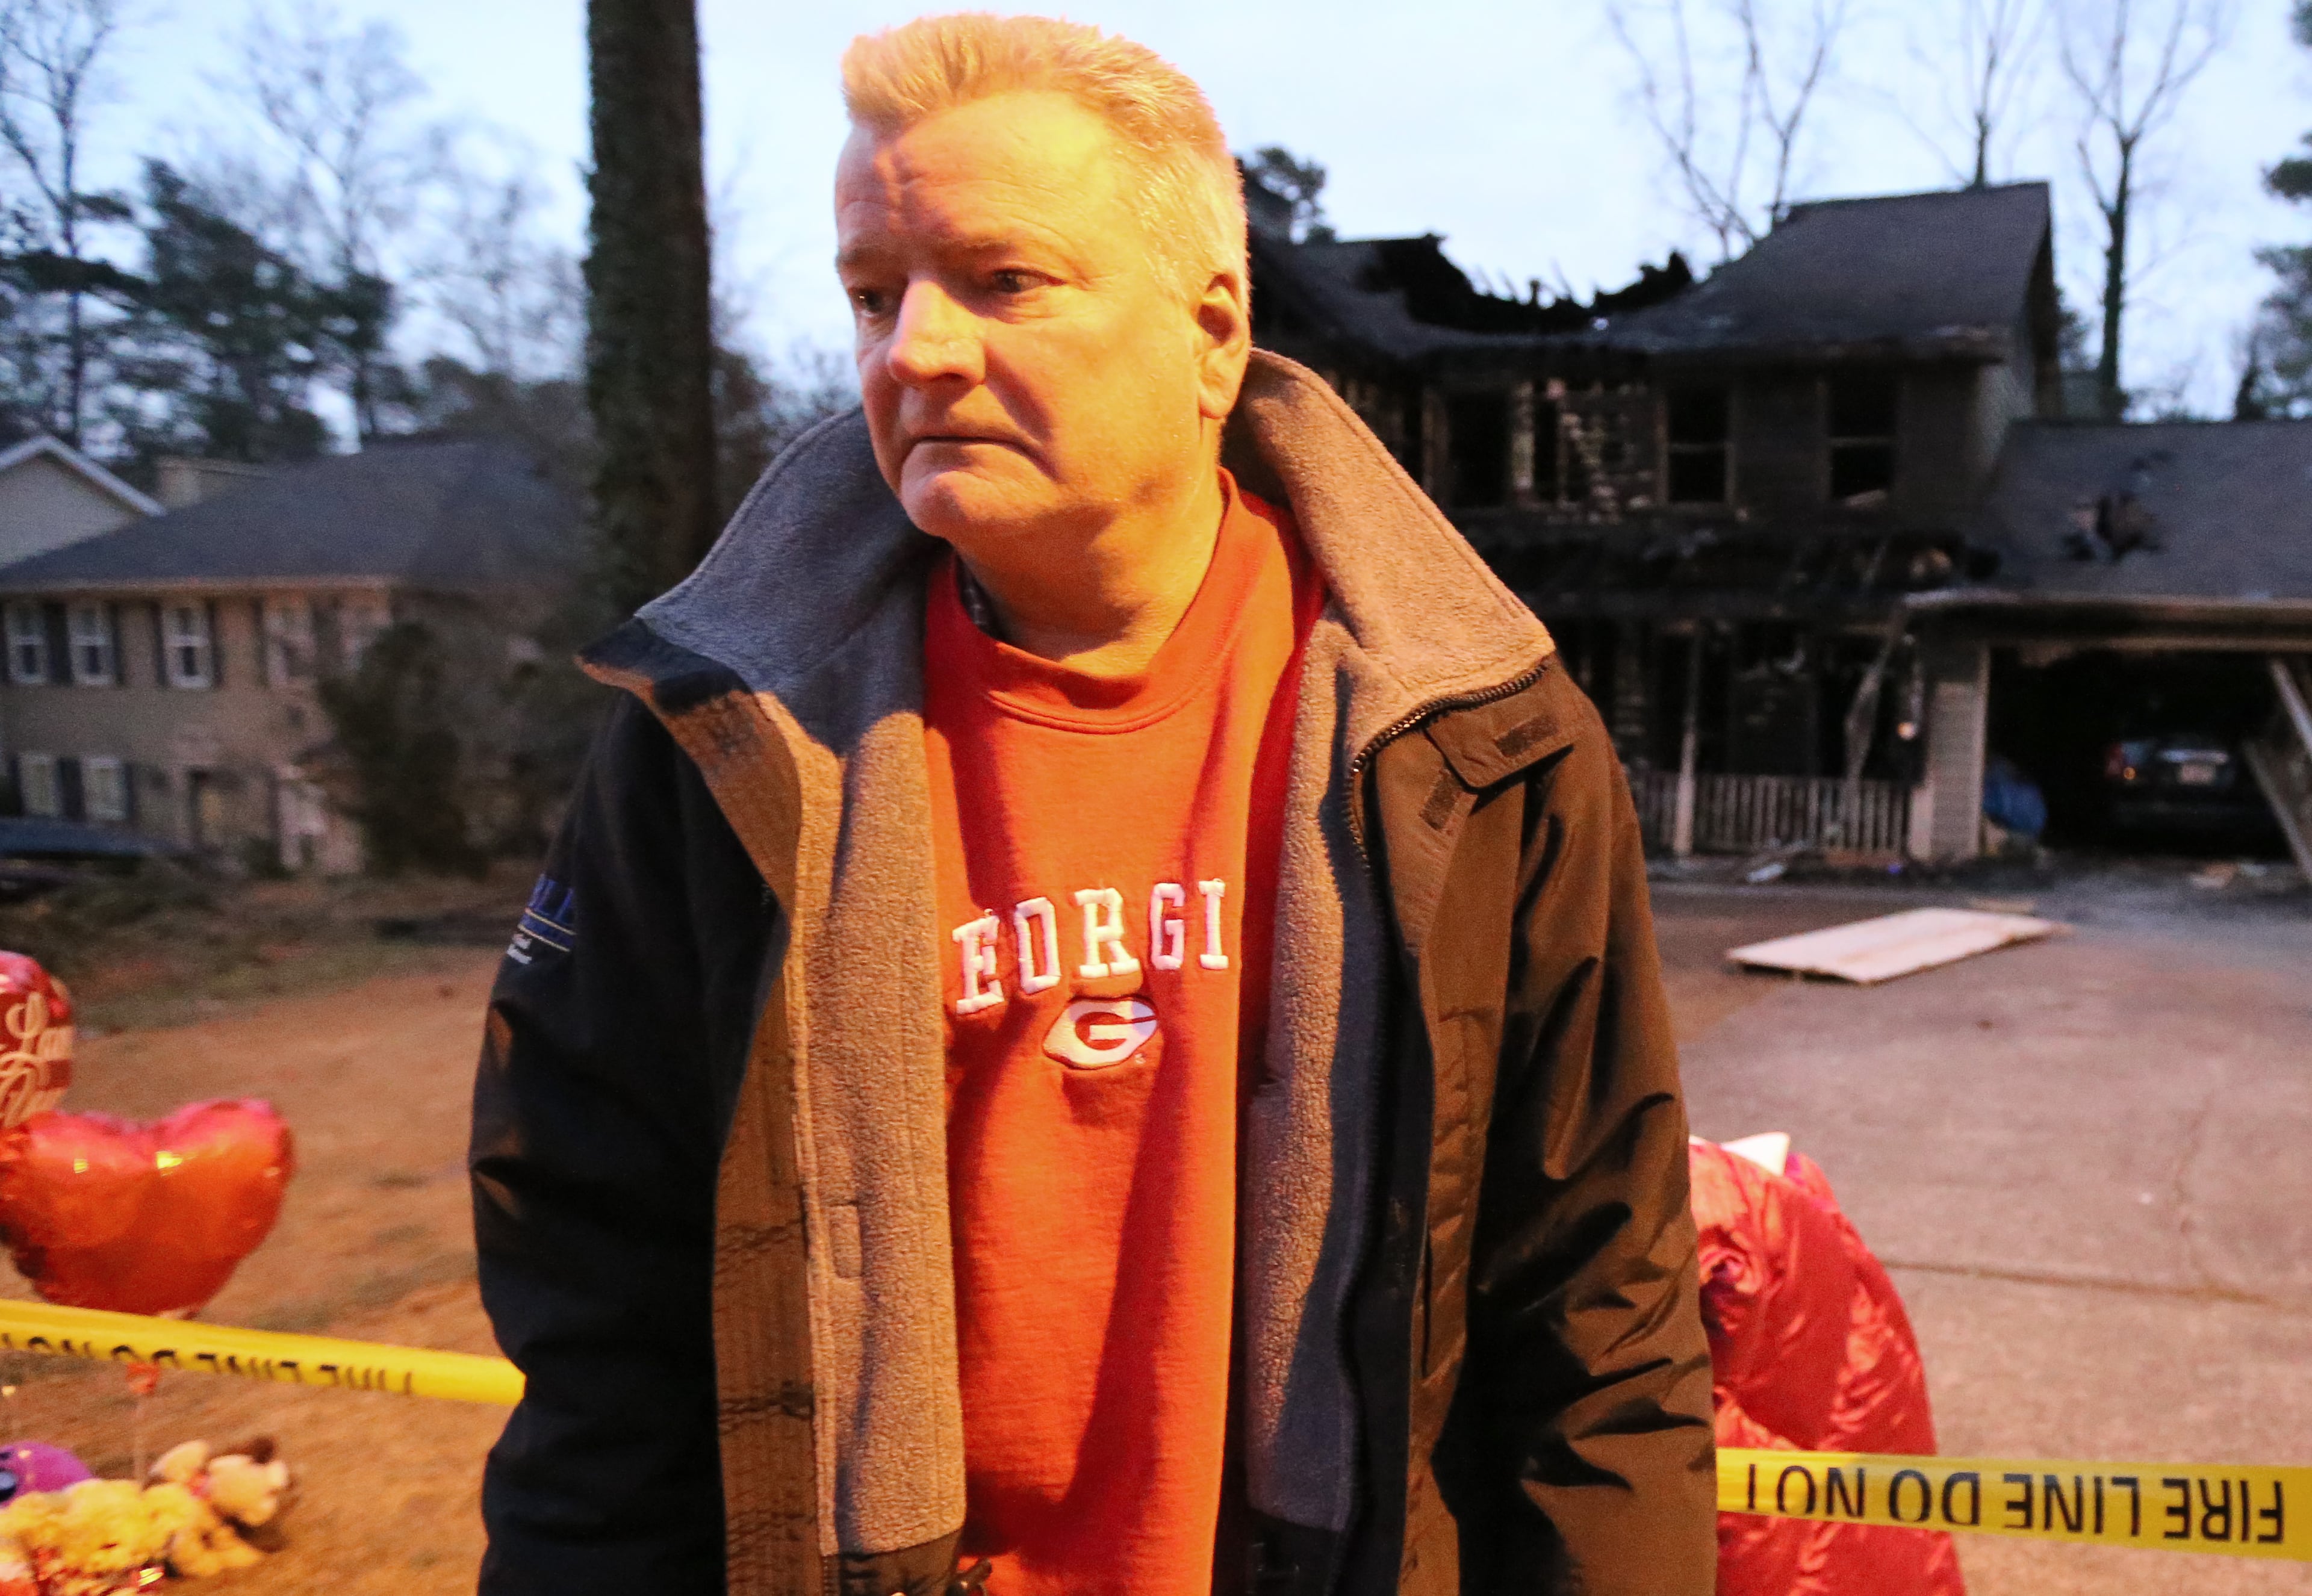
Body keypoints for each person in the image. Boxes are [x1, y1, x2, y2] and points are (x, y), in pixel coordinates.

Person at [470, 14, 1714, 1596]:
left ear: (1211, 332)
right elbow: (601, 1328)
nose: (912, 350)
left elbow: (1597, 1324)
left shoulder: (1478, 745)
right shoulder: (715, 745)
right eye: (873, 293)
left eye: (1001, 279)